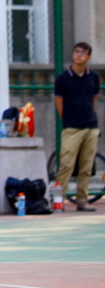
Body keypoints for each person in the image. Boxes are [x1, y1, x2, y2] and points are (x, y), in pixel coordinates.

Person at [54, 42, 100, 211]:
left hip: (90, 127)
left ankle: (82, 200)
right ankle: (59, 200)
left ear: (88, 57)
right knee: (66, 164)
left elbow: (94, 99)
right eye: (76, 51)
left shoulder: (93, 77)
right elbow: (59, 103)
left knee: (86, 166)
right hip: (72, 128)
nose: (78, 55)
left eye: (83, 52)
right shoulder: (63, 78)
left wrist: (90, 117)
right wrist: (67, 119)